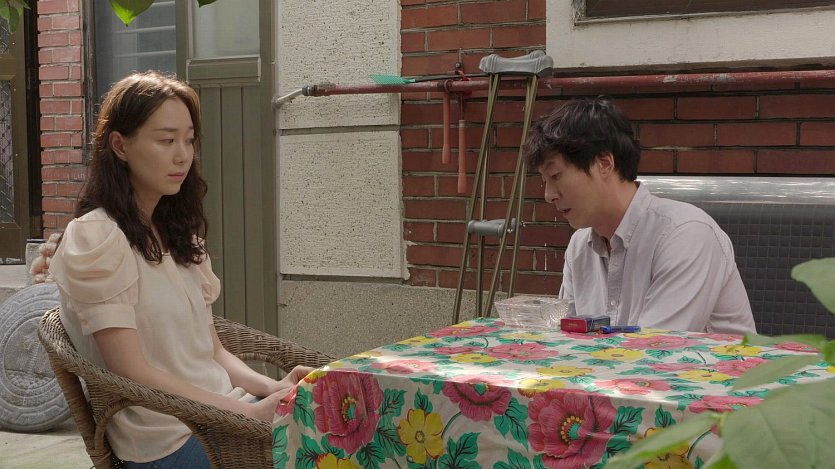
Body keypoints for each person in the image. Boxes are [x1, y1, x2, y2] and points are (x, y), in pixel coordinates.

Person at [49, 71, 311, 468]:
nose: (182, 155)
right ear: (120, 145)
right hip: (166, 435)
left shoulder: (177, 234)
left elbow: (213, 351)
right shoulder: (96, 237)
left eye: (189, 140)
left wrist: (274, 387)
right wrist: (245, 412)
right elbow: (130, 369)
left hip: (222, 412)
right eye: (166, 140)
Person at [523, 96, 756, 335]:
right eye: (544, 181)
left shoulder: (686, 234)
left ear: (604, 164)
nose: (549, 195)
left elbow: (655, 348)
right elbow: (569, 337)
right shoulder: (579, 246)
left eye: (556, 176)